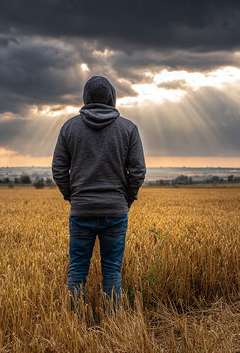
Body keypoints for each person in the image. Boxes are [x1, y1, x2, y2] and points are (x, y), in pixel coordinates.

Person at [52, 76, 146, 312]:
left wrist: (72, 197)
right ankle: (114, 323)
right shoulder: (129, 129)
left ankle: (73, 324)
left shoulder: (69, 128)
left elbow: (58, 169)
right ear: (112, 98)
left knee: (77, 269)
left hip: (81, 210)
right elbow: (138, 171)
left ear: (85, 97)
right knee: (112, 270)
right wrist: (126, 199)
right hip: (115, 210)